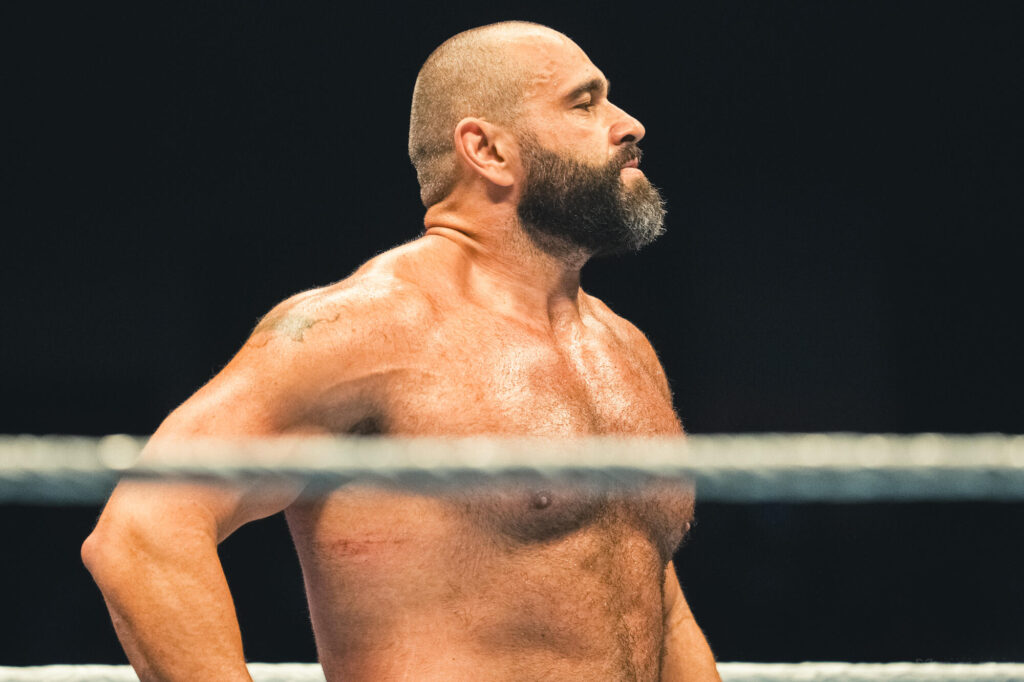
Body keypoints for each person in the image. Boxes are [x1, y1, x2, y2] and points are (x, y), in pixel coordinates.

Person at [82, 21, 721, 681]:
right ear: (487, 150)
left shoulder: (623, 347)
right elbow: (143, 532)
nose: (629, 124)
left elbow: (647, 594)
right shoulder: (366, 329)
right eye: (583, 104)